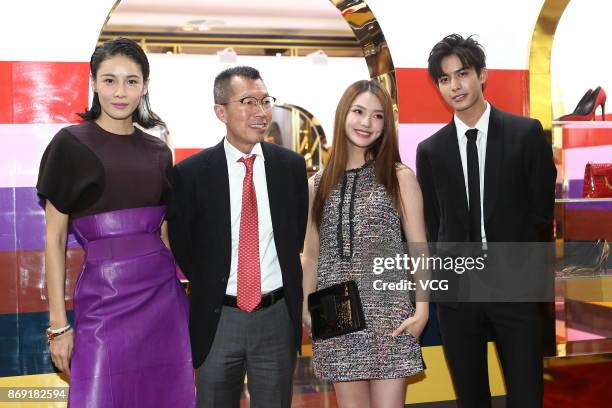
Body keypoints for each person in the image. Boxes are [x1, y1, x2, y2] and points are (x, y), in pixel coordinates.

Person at [37, 38, 195, 407]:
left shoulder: (159, 150)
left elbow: (166, 233)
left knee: (164, 395)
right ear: (93, 82)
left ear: (145, 85)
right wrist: (59, 326)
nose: (120, 92)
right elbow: (54, 237)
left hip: (162, 300)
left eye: (130, 81)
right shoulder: (69, 145)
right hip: (103, 300)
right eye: (109, 80)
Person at [416, 34, 556, 408]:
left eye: (461, 74)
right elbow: (433, 223)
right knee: (470, 397)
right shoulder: (430, 150)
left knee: (527, 395)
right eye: (444, 79)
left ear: (482, 75)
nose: (454, 86)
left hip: (515, 288)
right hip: (459, 295)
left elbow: (542, 213)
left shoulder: (525, 133)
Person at [168, 66, 308, 408]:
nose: (261, 112)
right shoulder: (191, 174)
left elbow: (295, 234)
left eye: (265, 101)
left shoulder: (290, 167)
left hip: (276, 317)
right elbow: (183, 245)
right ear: (221, 111)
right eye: (248, 101)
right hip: (218, 318)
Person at [302, 80, 429, 408]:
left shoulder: (399, 176)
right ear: (344, 114)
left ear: (386, 124)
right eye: (359, 111)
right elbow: (313, 256)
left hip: (389, 313)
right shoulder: (317, 183)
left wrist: (423, 310)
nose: (366, 123)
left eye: (377, 116)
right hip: (334, 311)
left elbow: (419, 247)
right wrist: (306, 309)